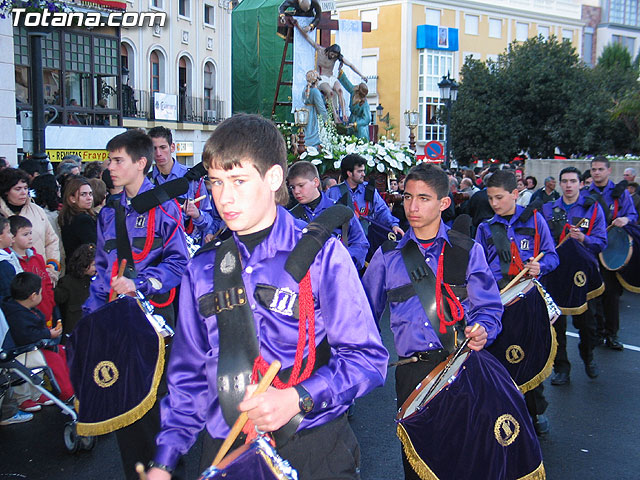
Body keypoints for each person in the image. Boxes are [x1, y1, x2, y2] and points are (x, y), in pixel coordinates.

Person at [147, 113, 388, 480]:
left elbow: (368, 359)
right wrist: (164, 462)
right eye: (215, 182)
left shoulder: (322, 256)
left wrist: (299, 397)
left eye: (238, 181)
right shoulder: (202, 269)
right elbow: (188, 379)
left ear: (273, 178)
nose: (223, 197)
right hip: (225, 447)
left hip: (312, 443)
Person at [361, 163, 503, 480]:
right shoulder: (387, 255)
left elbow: (489, 308)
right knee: (418, 462)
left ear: (443, 203)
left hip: (463, 365)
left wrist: (484, 330)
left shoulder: (468, 251)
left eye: (424, 198)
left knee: (464, 458)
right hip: (412, 371)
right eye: (408, 197)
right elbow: (363, 316)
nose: (412, 206)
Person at [83, 129, 189, 479]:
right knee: (124, 405)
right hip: (117, 321)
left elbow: (179, 263)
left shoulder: (164, 207)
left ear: (140, 163)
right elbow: (102, 272)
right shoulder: (108, 213)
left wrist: (140, 282)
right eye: (109, 160)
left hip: (156, 317)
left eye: (118, 161)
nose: (110, 167)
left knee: (157, 408)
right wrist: (89, 320)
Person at [475, 169, 559, 436]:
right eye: (490, 199)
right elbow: (476, 268)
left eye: (499, 197)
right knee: (497, 359)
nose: (494, 204)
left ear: (515, 194)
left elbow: (553, 257)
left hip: (527, 298)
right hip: (496, 302)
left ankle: (536, 411)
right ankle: (502, 412)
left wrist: (540, 266)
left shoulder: (535, 220)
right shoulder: (485, 227)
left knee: (528, 355)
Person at [542, 167, 607, 385]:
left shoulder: (592, 208)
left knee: (587, 325)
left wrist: (584, 240)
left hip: (583, 275)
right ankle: (562, 368)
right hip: (556, 274)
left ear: (580, 184)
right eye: (565, 181)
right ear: (560, 184)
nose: (569, 185)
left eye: (573, 181)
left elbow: (601, 242)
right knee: (556, 326)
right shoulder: (548, 209)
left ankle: (588, 357)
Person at [585, 156, 638, 350]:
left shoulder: (620, 193)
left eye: (600, 169)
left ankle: (612, 334)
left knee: (612, 294)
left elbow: (633, 215)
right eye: (593, 169)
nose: (596, 172)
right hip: (591, 249)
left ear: (608, 171)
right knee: (594, 295)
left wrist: (625, 219)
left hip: (612, 251)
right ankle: (597, 333)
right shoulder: (585, 193)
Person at [3, 272, 74, 404]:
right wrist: (48, 334)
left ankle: (38, 394)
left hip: (31, 347)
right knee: (53, 360)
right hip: (19, 351)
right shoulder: (17, 315)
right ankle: (67, 393)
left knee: (63, 350)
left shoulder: (23, 309)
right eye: (41, 292)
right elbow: (26, 336)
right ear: (33, 296)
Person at [287, 160, 369, 270]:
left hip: (339, 276)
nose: (296, 191)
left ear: (315, 182)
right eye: (292, 187)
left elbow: (361, 244)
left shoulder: (340, 211)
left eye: (301, 185)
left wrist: (341, 261)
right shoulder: (290, 217)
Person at [147, 127, 222, 244]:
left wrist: (197, 214)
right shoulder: (147, 181)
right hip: (158, 247)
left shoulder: (193, 179)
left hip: (188, 246)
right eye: (154, 148)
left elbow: (211, 222)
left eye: (162, 147)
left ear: (172, 147)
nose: (158, 153)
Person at [326, 154, 404, 254]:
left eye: (363, 170)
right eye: (359, 171)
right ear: (349, 173)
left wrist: (393, 225)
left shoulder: (369, 190)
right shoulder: (334, 192)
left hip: (367, 241)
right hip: (343, 243)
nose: (363, 174)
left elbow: (381, 210)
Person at [295, 23, 367, 123]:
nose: (333, 57)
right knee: (330, 93)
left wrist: (362, 75)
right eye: (332, 54)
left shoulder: (337, 57)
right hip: (322, 78)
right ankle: (335, 115)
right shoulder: (320, 50)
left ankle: (344, 115)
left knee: (340, 91)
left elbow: (350, 65)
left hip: (331, 77)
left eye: (335, 56)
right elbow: (307, 38)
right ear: (329, 50)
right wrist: (298, 26)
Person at [0, 168, 60, 283]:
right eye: (18, 189)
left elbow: (52, 241)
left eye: (26, 188)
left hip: (40, 274)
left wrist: (52, 268)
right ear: (6, 191)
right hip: (7, 279)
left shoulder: (37, 210)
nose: (23, 192)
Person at [9, 215, 56, 329]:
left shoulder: (37, 258)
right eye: (25, 234)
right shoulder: (10, 262)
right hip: (27, 319)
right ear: (12, 237)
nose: (30, 237)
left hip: (46, 313)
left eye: (30, 233)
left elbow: (47, 283)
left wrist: (51, 304)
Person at [54, 243, 96, 343]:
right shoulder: (67, 282)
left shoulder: (96, 281)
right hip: (74, 329)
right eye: (94, 265)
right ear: (83, 263)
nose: (97, 268)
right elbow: (58, 299)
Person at [58, 177, 97, 259]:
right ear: (72, 198)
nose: (89, 198)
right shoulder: (82, 220)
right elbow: (93, 246)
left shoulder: (67, 216)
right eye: (83, 194)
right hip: (85, 266)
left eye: (90, 194)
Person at [337, 66, 371, 140]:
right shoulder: (353, 92)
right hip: (351, 122)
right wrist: (340, 72)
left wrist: (356, 124)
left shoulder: (364, 104)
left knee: (360, 143)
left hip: (360, 128)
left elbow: (367, 119)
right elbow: (347, 83)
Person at [301, 70, 327, 147]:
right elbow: (320, 107)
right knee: (313, 133)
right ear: (316, 81)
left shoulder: (305, 89)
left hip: (306, 113)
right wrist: (326, 119)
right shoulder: (315, 91)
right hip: (313, 113)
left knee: (306, 132)